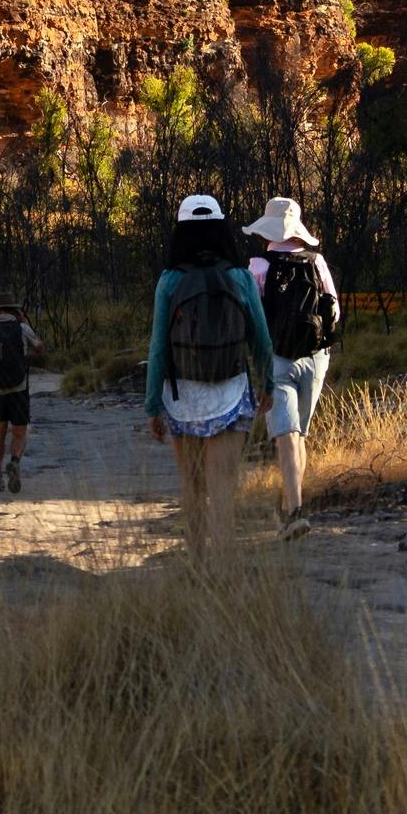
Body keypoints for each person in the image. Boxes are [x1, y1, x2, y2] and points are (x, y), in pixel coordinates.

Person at [144, 192, 275, 557]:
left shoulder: (169, 280)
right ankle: (223, 570)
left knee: (192, 488)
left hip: (182, 398)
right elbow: (260, 337)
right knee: (223, 490)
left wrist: (152, 405)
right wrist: (268, 384)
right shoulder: (240, 276)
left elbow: (158, 348)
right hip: (231, 393)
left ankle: (197, 566)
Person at [249, 197, 342, 538]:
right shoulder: (317, 262)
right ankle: (292, 508)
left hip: (277, 357)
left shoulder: (258, 267)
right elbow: (334, 313)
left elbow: (253, 320)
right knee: (298, 433)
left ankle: (294, 511)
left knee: (285, 434)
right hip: (316, 358)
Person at [0, 298, 43, 492]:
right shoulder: (22, 328)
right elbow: (39, 347)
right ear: (15, 311)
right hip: (19, 388)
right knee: (20, 432)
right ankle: (14, 462)